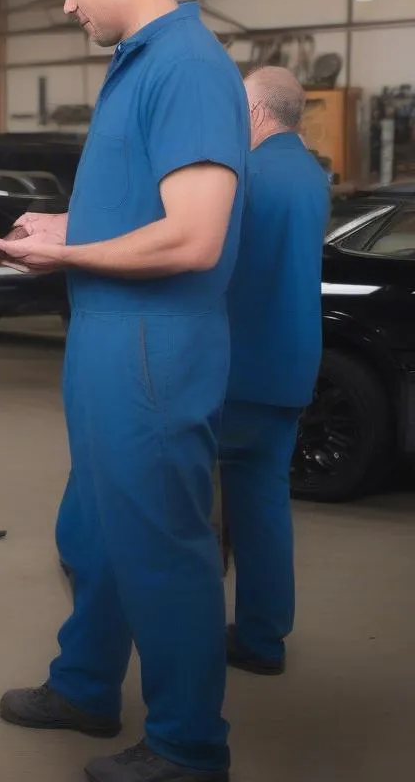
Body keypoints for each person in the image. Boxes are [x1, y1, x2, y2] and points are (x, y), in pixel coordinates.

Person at [0, 0, 249, 782]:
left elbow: (194, 236)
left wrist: (65, 251)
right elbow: (138, 212)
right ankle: (86, 686)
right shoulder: (137, 67)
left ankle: (187, 746)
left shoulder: (186, 65)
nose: (67, 6)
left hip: (152, 343)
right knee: (97, 529)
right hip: (108, 333)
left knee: (163, 545)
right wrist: (56, 225)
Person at [220, 66, 330, 677]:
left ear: (257, 112)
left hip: (239, 366)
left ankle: (176, 633)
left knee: (177, 502)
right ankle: (264, 639)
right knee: (262, 503)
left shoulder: (246, 176)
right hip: (291, 366)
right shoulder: (311, 174)